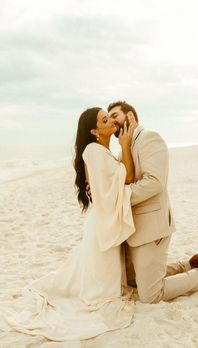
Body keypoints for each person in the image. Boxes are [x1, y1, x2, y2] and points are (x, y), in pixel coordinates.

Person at [0, 107, 136, 343]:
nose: (110, 122)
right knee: (102, 290)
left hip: (100, 221)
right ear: (95, 131)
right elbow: (127, 178)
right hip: (100, 224)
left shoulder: (99, 151)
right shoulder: (94, 151)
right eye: (105, 120)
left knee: (104, 277)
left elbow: (109, 181)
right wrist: (125, 144)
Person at [106, 100, 198, 303]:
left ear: (130, 116)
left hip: (151, 227)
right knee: (131, 280)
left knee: (151, 295)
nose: (112, 121)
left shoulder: (149, 138)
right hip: (131, 229)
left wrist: (118, 197)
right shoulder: (123, 149)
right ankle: (188, 265)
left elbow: (155, 182)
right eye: (109, 117)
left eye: (115, 115)